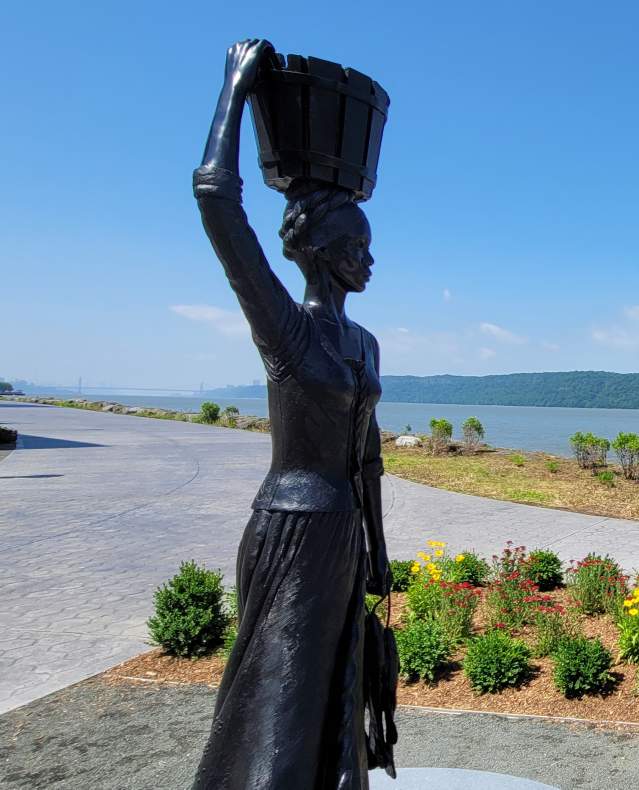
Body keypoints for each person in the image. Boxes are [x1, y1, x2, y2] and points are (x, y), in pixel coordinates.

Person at [191, 39, 392, 790]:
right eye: (357, 246)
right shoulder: (287, 330)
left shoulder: (364, 344)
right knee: (279, 689)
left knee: (337, 687)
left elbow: (366, 456)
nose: (368, 260)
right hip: (292, 528)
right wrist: (236, 88)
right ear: (322, 248)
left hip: (342, 533)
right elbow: (216, 199)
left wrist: (377, 546)